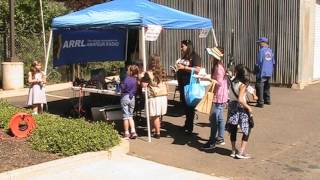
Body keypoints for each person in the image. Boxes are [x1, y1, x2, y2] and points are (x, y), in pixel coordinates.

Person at [202, 47, 228, 149]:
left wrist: (209, 78)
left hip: (218, 95)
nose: (210, 57)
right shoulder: (219, 66)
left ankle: (212, 141)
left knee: (214, 118)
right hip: (221, 95)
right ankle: (220, 138)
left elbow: (219, 82)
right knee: (220, 117)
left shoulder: (218, 67)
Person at [226, 64, 253, 159]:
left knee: (233, 129)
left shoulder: (233, 82)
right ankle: (241, 151)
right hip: (241, 108)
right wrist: (248, 107)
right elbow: (241, 99)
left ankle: (233, 150)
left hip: (232, 106)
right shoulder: (242, 85)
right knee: (247, 128)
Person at [176, 40, 201, 134]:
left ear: (188, 46)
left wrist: (184, 68)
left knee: (190, 106)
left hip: (190, 85)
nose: (181, 48)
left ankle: (190, 128)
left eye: (182, 46)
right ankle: (187, 124)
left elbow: (198, 70)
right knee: (185, 106)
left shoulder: (195, 56)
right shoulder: (184, 56)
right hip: (182, 84)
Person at [141, 55, 168, 139]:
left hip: (154, 96)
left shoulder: (148, 73)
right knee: (156, 115)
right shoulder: (163, 71)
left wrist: (141, 78)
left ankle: (157, 132)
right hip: (163, 96)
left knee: (154, 115)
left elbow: (144, 85)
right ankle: (152, 129)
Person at [255, 37, 275, 108]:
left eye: (260, 43)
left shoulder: (261, 51)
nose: (259, 44)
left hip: (262, 72)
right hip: (269, 72)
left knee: (259, 86)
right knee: (267, 86)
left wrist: (256, 71)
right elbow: (273, 62)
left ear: (263, 43)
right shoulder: (270, 51)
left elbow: (259, 63)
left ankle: (260, 102)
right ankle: (267, 100)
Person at [120, 65, 139, 139]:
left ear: (130, 72)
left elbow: (123, 88)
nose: (127, 71)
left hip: (125, 97)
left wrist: (121, 84)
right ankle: (133, 132)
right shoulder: (135, 80)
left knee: (125, 116)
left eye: (128, 70)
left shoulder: (126, 79)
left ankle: (126, 133)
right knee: (130, 115)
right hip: (132, 98)